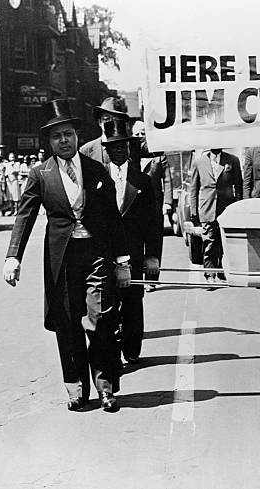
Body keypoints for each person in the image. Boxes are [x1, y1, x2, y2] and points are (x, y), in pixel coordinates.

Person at [2, 99, 131, 412]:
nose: (64, 140)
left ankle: (105, 388)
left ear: (76, 135)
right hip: (61, 259)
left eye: (68, 134)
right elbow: (25, 216)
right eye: (57, 135)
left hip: (96, 255)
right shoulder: (40, 175)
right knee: (68, 324)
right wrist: (13, 256)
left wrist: (123, 261)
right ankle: (75, 388)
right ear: (49, 141)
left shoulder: (96, 170)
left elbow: (113, 218)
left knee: (100, 319)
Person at [102, 118, 161, 366]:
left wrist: (152, 255)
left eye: (123, 146)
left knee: (133, 302)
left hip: (135, 252)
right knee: (108, 304)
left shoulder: (142, 181)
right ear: (106, 149)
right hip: (105, 254)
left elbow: (153, 221)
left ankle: (132, 350)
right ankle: (112, 352)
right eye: (114, 146)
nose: (118, 151)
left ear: (129, 148)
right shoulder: (97, 178)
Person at [190, 148, 243, 282]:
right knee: (209, 241)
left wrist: (237, 207)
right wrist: (194, 211)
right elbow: (194, 189)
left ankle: (222, 270)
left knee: (225, 242)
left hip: (226, 208)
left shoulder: (232, 160)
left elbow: (238, 185)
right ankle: (210, 275)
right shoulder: (199, 162)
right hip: (207, 208)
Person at [132, 120, 173, 292]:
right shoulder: (129, 156)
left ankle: (152, 279)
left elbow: (168, 180)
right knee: (134, 242)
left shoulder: (159, 155)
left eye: (143, 134)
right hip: (134, 207)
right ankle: (136, 278)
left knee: (154, 243)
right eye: (137, 135)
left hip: (154, 205)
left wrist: (167, 203)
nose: (140, 138)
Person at [80, 96, 128, 171]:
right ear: (99, 122)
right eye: (107, 119)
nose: (110, 123)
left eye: (115, 119)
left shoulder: (131, 148)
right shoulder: (85, 151)